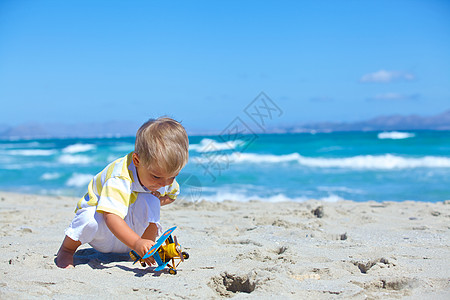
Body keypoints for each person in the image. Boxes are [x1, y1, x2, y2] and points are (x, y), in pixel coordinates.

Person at [55, 117, 189, 268]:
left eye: (173, 176)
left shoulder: (164, 177)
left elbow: (171, 196)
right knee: (88, 218)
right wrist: (136, 242)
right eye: (156, 176)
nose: (164, 183)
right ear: (137, 161)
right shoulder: (120, 177)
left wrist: (158, 199)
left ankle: (146, 250)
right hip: (103, 232)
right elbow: (110, 217)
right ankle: (66, 250)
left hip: (131, 238)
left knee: (152, 200)